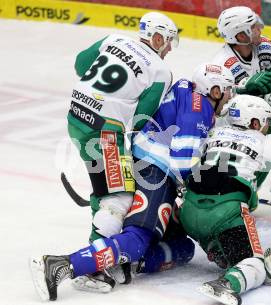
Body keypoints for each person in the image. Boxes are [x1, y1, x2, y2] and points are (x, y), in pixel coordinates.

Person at [29, 63, 235, 301]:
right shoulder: (200, 110)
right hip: (155, 172)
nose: (230, 96)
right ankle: (61, 265)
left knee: (182, 248)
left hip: (145, 162)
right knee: (138, 239)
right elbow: (182, 162)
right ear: (215, 90)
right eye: (228, 90)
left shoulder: (188, 91)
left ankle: (122, 264)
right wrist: (205, 189)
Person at [65, 11, 179, 290]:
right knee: (121, 197)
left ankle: (101, 238)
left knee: (104, 186)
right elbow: (142, 119)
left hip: (76, 118)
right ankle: (92, 267)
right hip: (105, 131)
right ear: (157, 36)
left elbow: (81, 64)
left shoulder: (113, 38)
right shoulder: (160, 70)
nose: (168, 50)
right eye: (168, 42)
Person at [178, 94, 271, 305]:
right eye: (265, 122)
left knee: (224, 249)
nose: (267, 128)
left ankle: (214, 248)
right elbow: (253, 199)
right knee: (254, 262)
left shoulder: (214, 132)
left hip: (188, 209)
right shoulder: (268, 142)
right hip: (226, 211)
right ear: (255, 122)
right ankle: (228, 283)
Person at [212, 6, 271, 196]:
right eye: (253, 27)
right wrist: (244, 88)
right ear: (241, 36)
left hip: (262, 113)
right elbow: (218, 108)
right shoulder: (222, 64)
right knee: (264, 143)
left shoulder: (265, 47)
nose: (259, 30)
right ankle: (244, 190)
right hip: (234, 124)